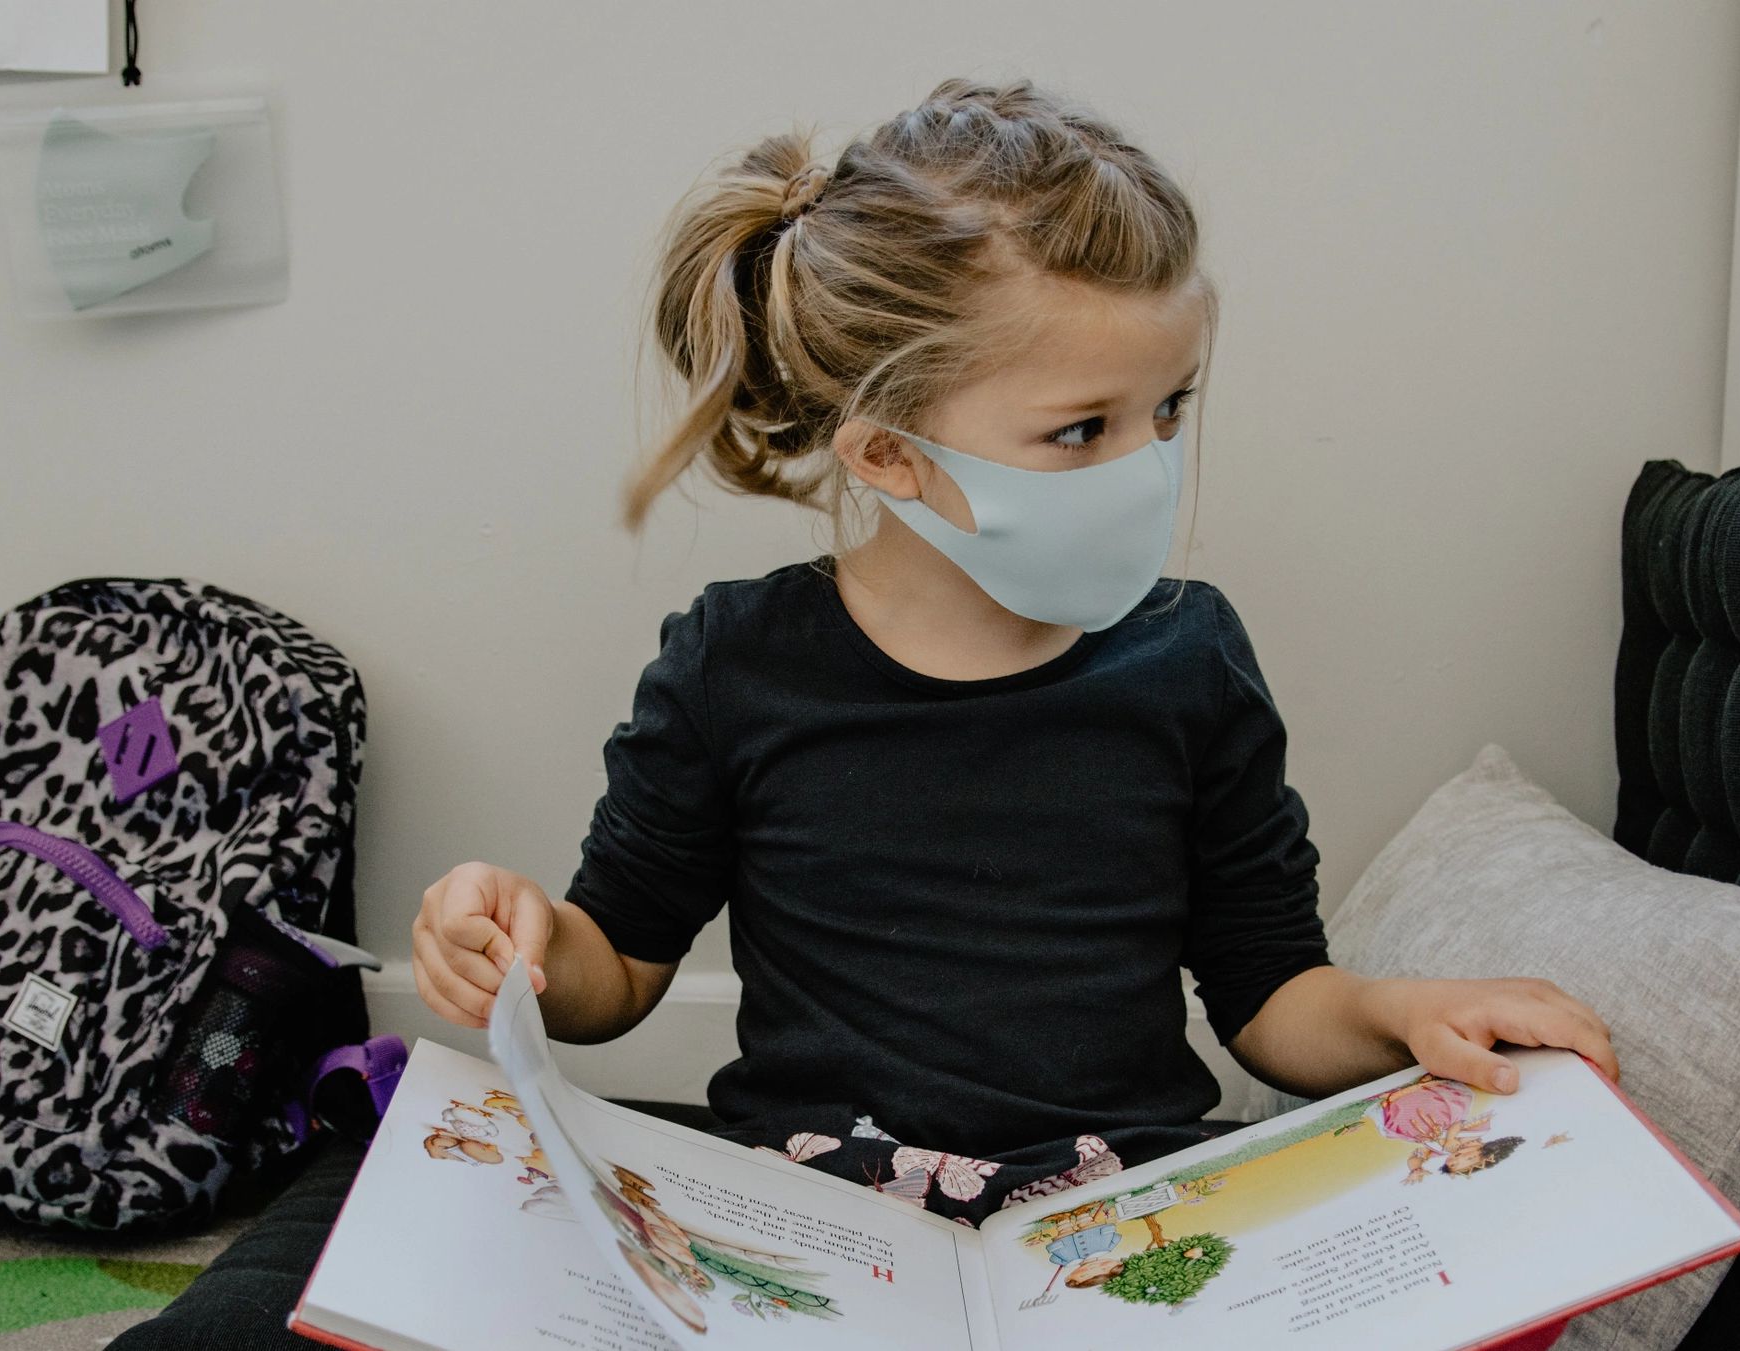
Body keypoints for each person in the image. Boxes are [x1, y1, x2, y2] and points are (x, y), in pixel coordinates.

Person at [411, 75, 1621, 1231]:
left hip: (1123, 1208)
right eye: (1081, 428)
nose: (1147, 466)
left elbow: (1268, 996)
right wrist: (524, 941)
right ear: (884, 454)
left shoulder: (1187, 658)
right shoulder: (739, 662)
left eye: (1169, 410)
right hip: (819, 1218)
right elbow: (614, 970)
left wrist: (1407, 1012)